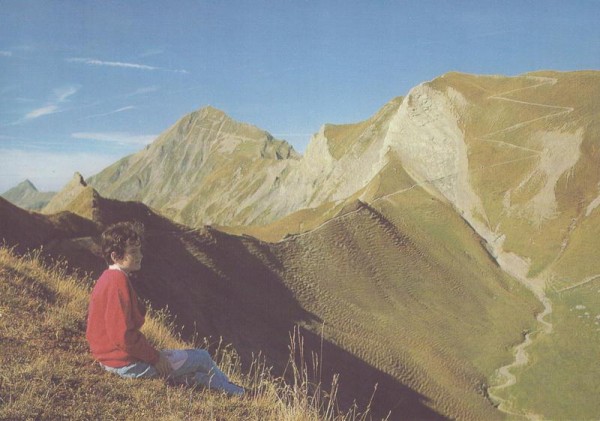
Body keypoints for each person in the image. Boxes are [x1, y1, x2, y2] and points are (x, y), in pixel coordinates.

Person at [86, 221, 244, 396]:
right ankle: (241, 394)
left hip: (111, 359)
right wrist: (155, 357)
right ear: (115, 256)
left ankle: (232, 390)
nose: (140, 255)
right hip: (125, 364)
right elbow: (123, 336)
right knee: (202, 358)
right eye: (133, 252)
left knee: (196, 371)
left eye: (139, 250)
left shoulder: (107, 278)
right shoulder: (118, 283)